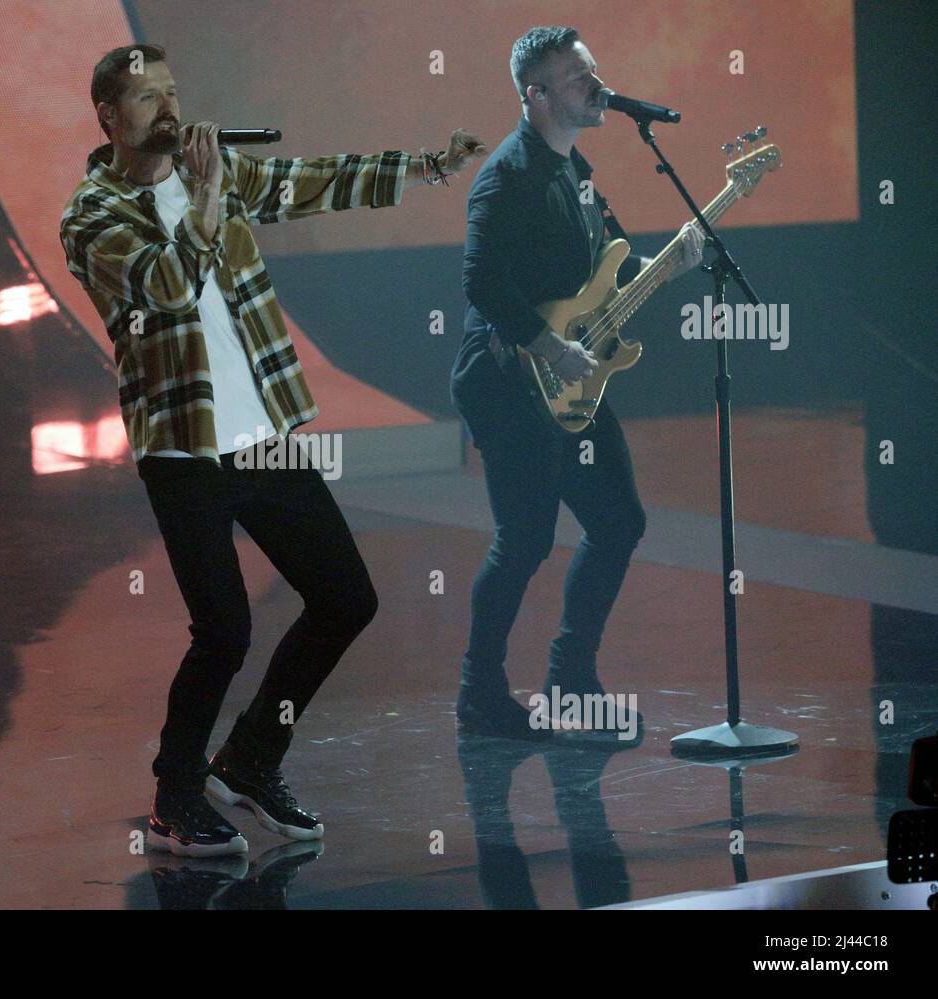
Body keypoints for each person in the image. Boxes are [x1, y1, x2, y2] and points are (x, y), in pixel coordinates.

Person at [60, 44, 485, 856]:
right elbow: (164, 283)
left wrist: (428, 166)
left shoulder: (216, 178)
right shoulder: (90, 218)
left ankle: (251, 758)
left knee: (345, 598)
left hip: (260, 435)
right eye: (147, 99)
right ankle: (175, 797)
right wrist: (211, 199)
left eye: (173, 92)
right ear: (110, 118)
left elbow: (313, 180)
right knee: (222, 631)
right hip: (184, 449)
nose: (168, 110)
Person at [450, 26, 704, 740]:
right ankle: (480, 693)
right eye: (575, 76)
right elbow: (479, 281)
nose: (595, 85)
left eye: (592, 70)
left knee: (619, 521)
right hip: (506, 377)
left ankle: (569, 677)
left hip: (570, 377)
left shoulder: (577, 170)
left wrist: (669, 264)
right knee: (526, 540)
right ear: (535, 95)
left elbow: (614, 270)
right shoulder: (505, 176)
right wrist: (547, 345)